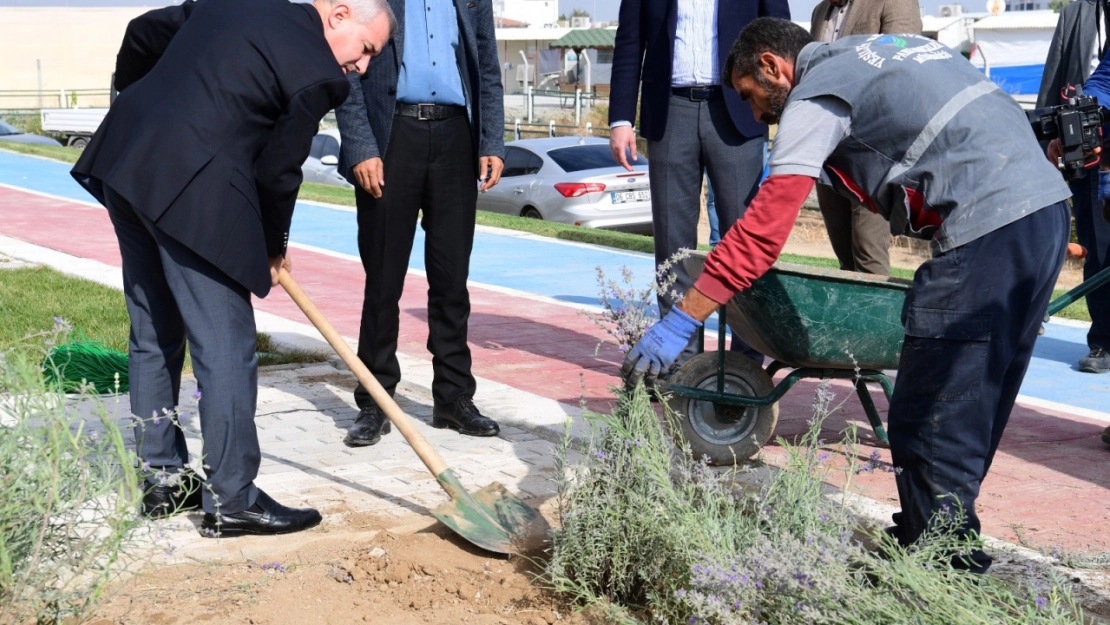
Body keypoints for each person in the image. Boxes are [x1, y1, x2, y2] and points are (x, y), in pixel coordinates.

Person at [622, 19, 1072, 573]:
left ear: (771, 66)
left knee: (929, 411)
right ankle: (926, 541)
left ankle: (945, 566)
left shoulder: (818, 92)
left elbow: (762, 232)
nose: (757, 116)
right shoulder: (883, 51)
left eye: (751, 96)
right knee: (973, 403)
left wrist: (680, 320)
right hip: (1044, 215)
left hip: (986, 228)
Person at [71, 0, 394, 537]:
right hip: (193, 187)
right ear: (339, 15)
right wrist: (271, 248)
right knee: (225, 344)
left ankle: (162, 478)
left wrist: (139, 101)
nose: (361, 67)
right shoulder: (319, 74)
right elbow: (278, 172)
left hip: (127, 159)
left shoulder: (237, 4)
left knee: (155, 330)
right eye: (366, 50)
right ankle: (233, 498)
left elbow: (143, 31)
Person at [334, 0, 505, 446]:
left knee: (452, 281)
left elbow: (486, 62)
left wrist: (492, 139)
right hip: (391, 139)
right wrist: (360, 145)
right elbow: (348, 68)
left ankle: (453, 399)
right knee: (383, 280)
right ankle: (375, 400)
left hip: (456, 138)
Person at [608, 0, 790, 368]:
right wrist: (620, 118)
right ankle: (678, 361)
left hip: (740, 109)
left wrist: (785, 107)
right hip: (669, 110)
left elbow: (781, 35)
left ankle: (746, 363)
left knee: (745, 239)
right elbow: (629, 41)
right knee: (673, 244)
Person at [809, 0, 921, 275]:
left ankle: (878, 319)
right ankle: (849, 320)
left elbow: (903, 70)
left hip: (871, 155)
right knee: (845, 263)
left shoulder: (895, 2)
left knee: (869, 258)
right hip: (827, 154)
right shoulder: (820, 12)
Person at [1038, 0, 1110, 374]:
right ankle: (1103, 343)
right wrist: (1073, 120)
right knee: (1098, 253)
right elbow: (1103, 78)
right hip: (1097, 162)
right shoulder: (1077, 12)